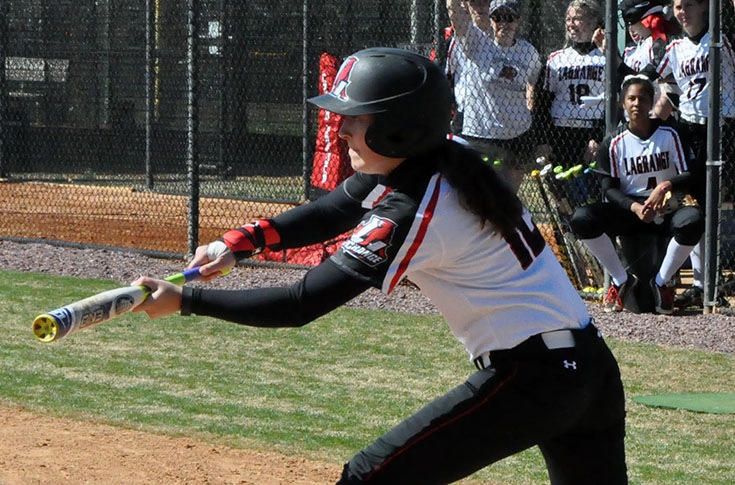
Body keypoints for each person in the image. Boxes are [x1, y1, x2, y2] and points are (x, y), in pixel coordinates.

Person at [132, 48, 628, 484]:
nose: (342, 126)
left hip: (534, 377)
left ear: (398, 129)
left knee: (368, 478)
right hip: (588, 370)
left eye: (357, 117)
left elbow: (299, 303)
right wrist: (241, 241)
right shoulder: (443, 156)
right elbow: (334, 208)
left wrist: (186, 300)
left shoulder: (416, 206)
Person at [570, 75, 704, 314]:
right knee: (582, 219)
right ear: (623, 103)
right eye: (631, 99)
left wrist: (665, 187)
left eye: (642, 99)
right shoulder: (613, 142)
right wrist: (635, 208)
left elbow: (689, 173)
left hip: (666, 208)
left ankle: (661, 284)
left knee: (693, 221)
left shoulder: (670, 133)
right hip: (631, 211)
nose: (636, 104)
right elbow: (608, 187)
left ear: (652, 103)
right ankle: (622, 281)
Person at [648, 0, 735, 308]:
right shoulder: (674, 49)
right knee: (699, 204)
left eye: (687, 5)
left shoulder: (723, 37)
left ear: (704, 7)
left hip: (725, 126)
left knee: (721, 201)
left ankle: (713, 280)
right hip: (690, 129)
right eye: (677, 6)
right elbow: (667, 90)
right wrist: (650, 126)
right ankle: (702, 283)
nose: (681, 12)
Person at [446, 0, 542, 191]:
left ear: (518, 21)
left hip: (516, 134)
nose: (504, 24)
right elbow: (457, 18)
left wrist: (529, 110)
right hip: (482, 133)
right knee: (479, 192)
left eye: (509, 18)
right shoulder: (477, 43)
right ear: (491, 20)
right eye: (498, 18)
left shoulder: (527, 51)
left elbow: (534, 82)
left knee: (509, 193)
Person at [536, 0, 606, 169]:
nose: (571, 24)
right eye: (568, 19)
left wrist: (599, 138)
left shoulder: (605, 57)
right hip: (560, 130)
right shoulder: (556, 59)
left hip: (592, 128)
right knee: (562, 186)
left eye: (577, 19)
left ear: (593, 23)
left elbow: (615, 100)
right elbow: (544, 102)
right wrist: (544, 140)